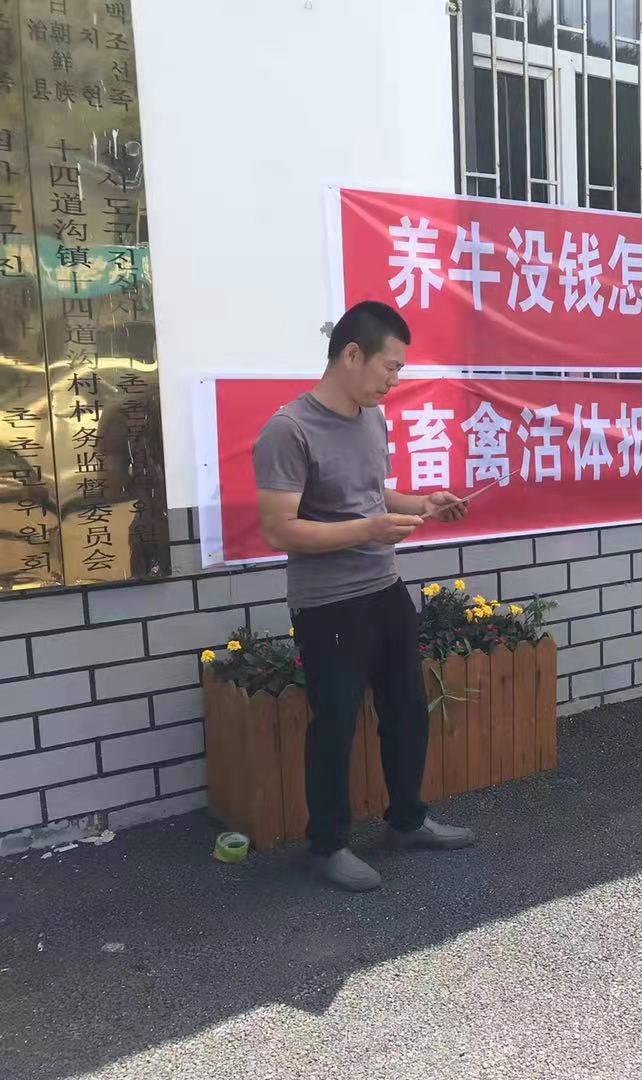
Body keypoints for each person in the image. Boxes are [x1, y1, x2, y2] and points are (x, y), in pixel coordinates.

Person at [253, 300, 477, 892]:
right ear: (352, 354)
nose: (394, 380)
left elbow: (373, 495)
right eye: (390, 366)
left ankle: (407, 820)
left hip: (384, 586)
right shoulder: (288, 430)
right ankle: (327, 845)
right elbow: (279, 530)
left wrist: (423, 503)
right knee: (335, 723)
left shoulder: (372, 417)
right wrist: (369, 529)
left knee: (406, 707)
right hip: (327, 602)